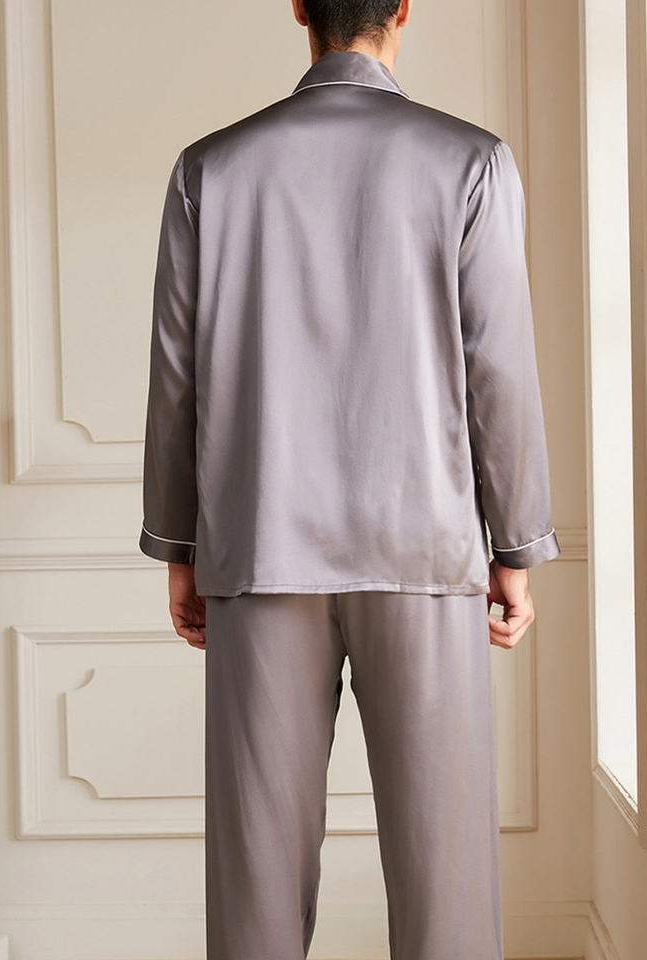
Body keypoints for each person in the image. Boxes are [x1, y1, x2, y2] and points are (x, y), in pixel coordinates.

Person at [138, 1, 560, 957]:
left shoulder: (212, 168)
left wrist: (179, 547)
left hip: (259, 549)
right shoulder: (471, 162)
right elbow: (498, 370)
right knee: (448, 887)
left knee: (255, 884)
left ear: (299, 8)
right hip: (425, 551)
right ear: (404, 7)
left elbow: (177, 377)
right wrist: (516, 547)